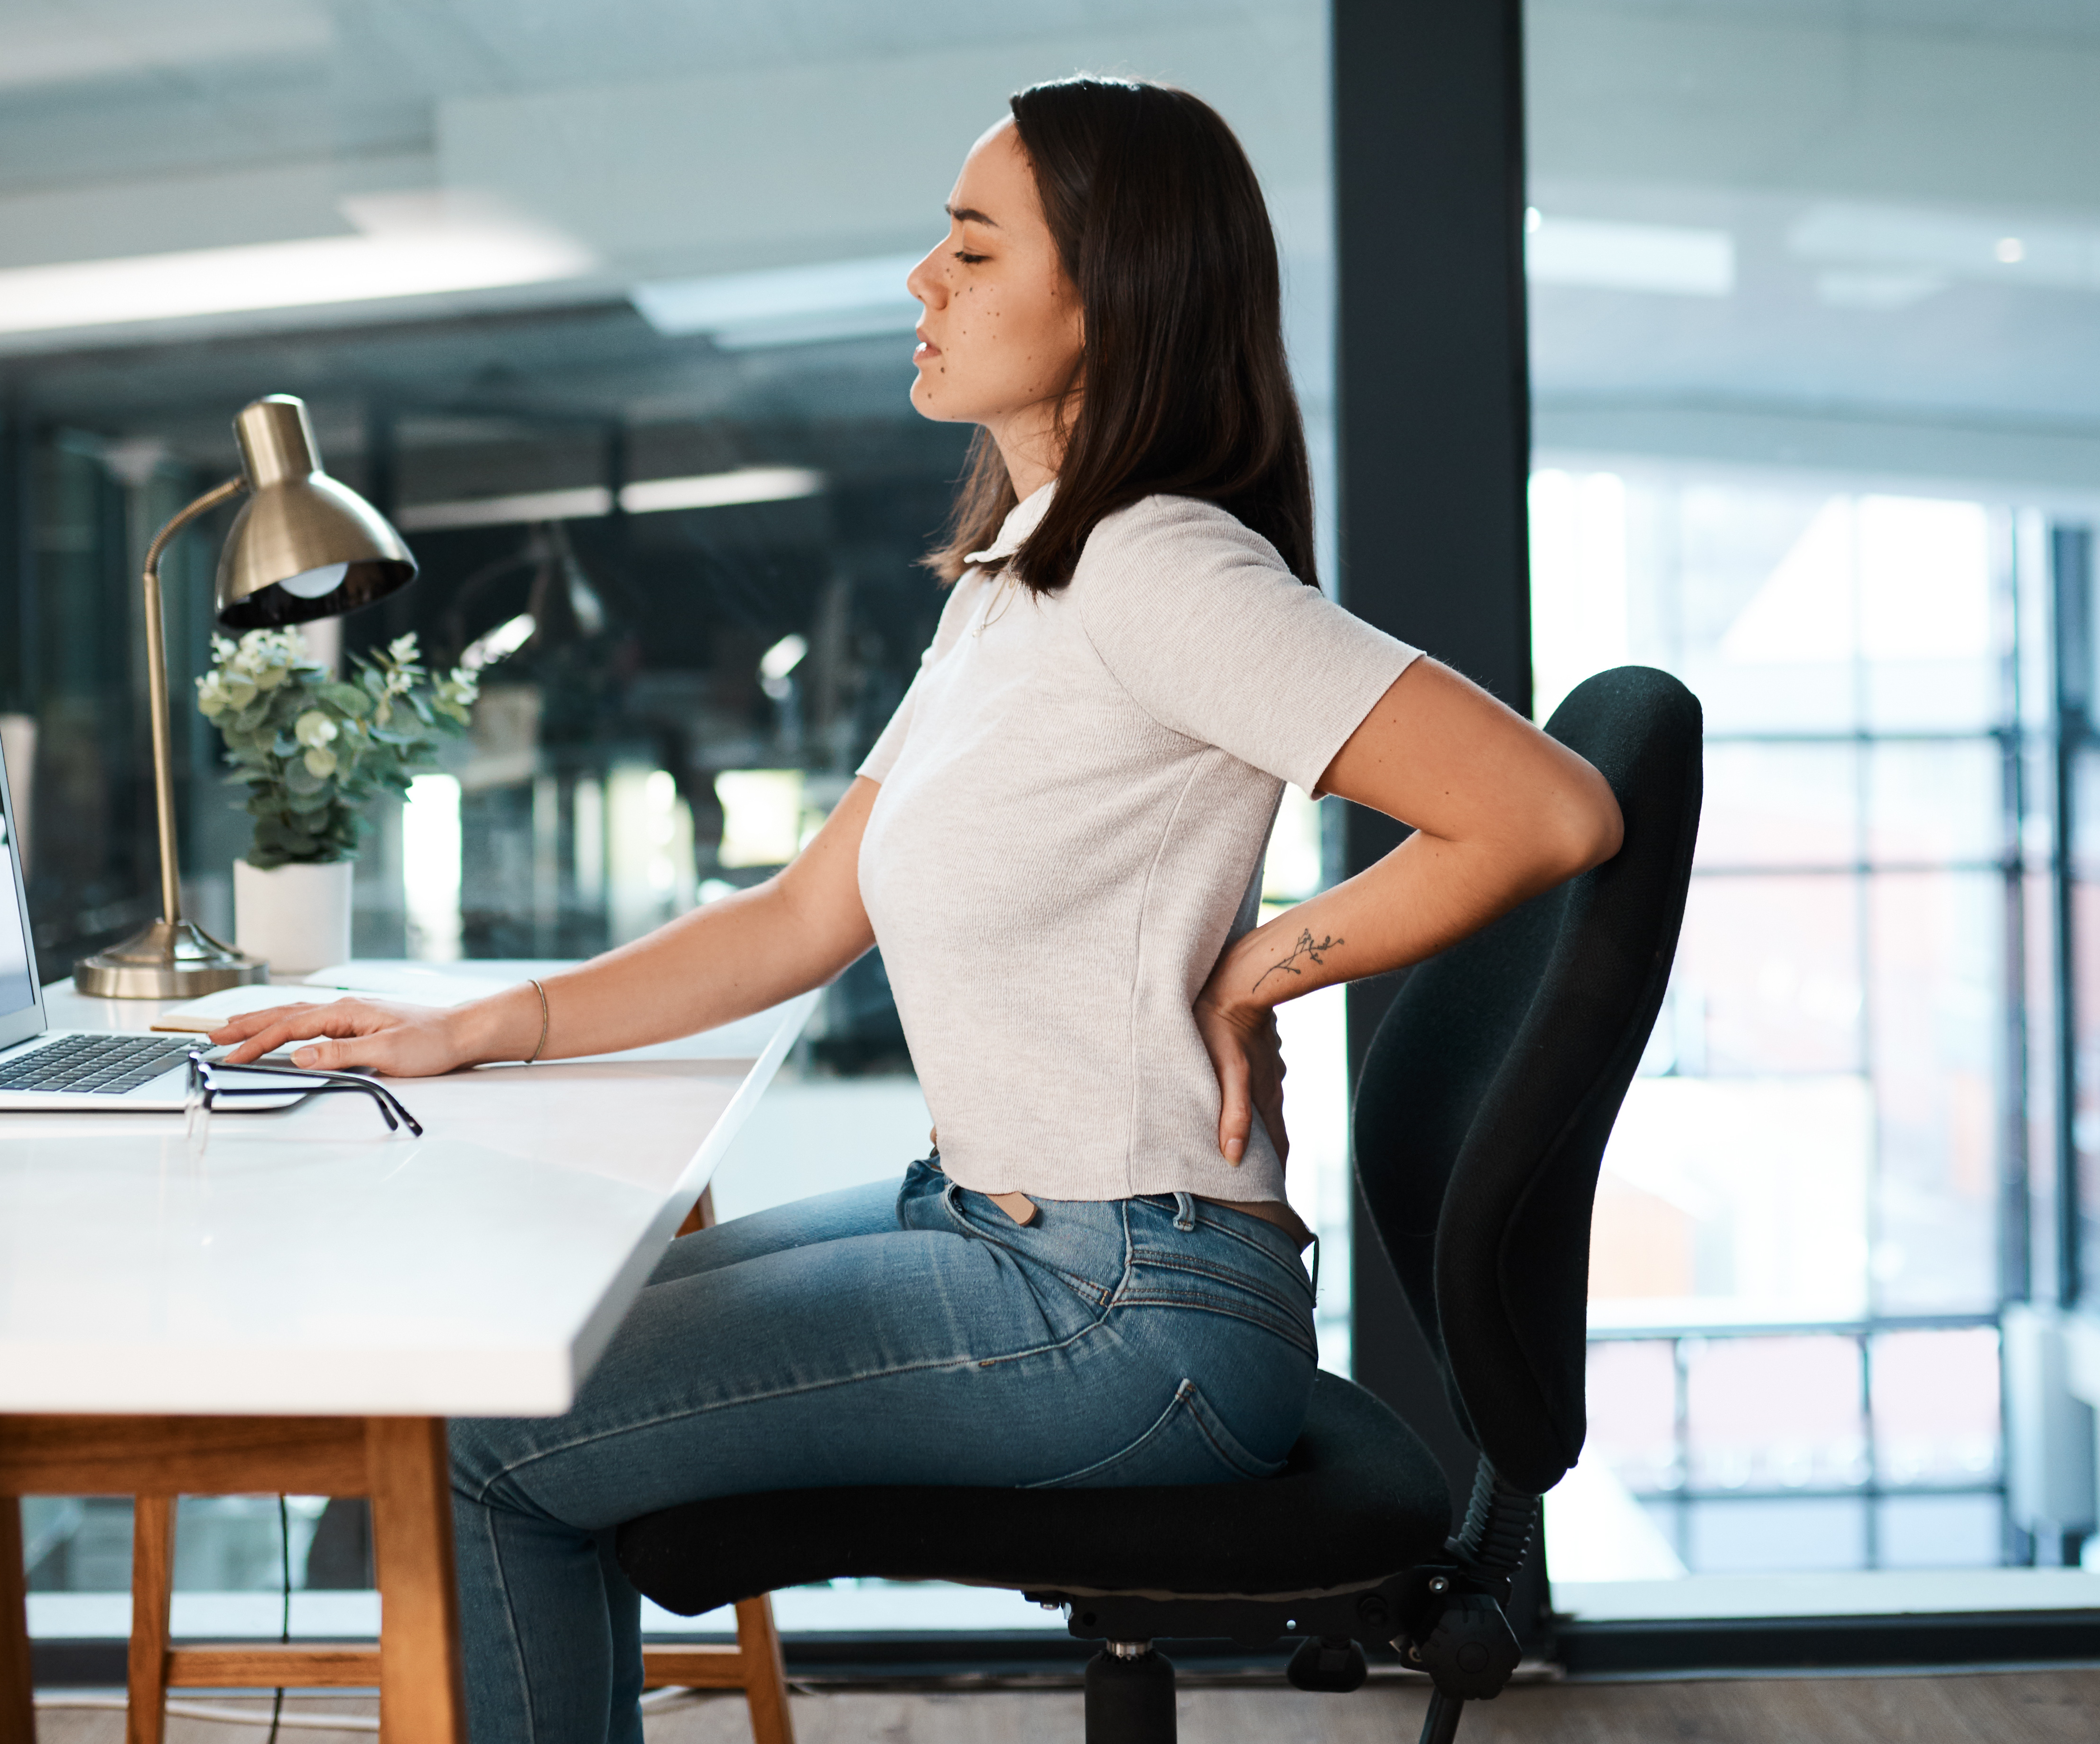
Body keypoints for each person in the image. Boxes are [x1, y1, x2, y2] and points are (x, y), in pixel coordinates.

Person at [206, 74, 1623, 1744]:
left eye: (970, 247)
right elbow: (807, 911)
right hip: (1007, 1228)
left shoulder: (1166, 569)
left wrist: (1262, 969)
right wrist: (472, 1029)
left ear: (1118, 297)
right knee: (541, 1327)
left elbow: (1550, 807)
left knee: (481, 1432)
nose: (919, 282)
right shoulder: (1024, 570)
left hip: (1123, 1304)